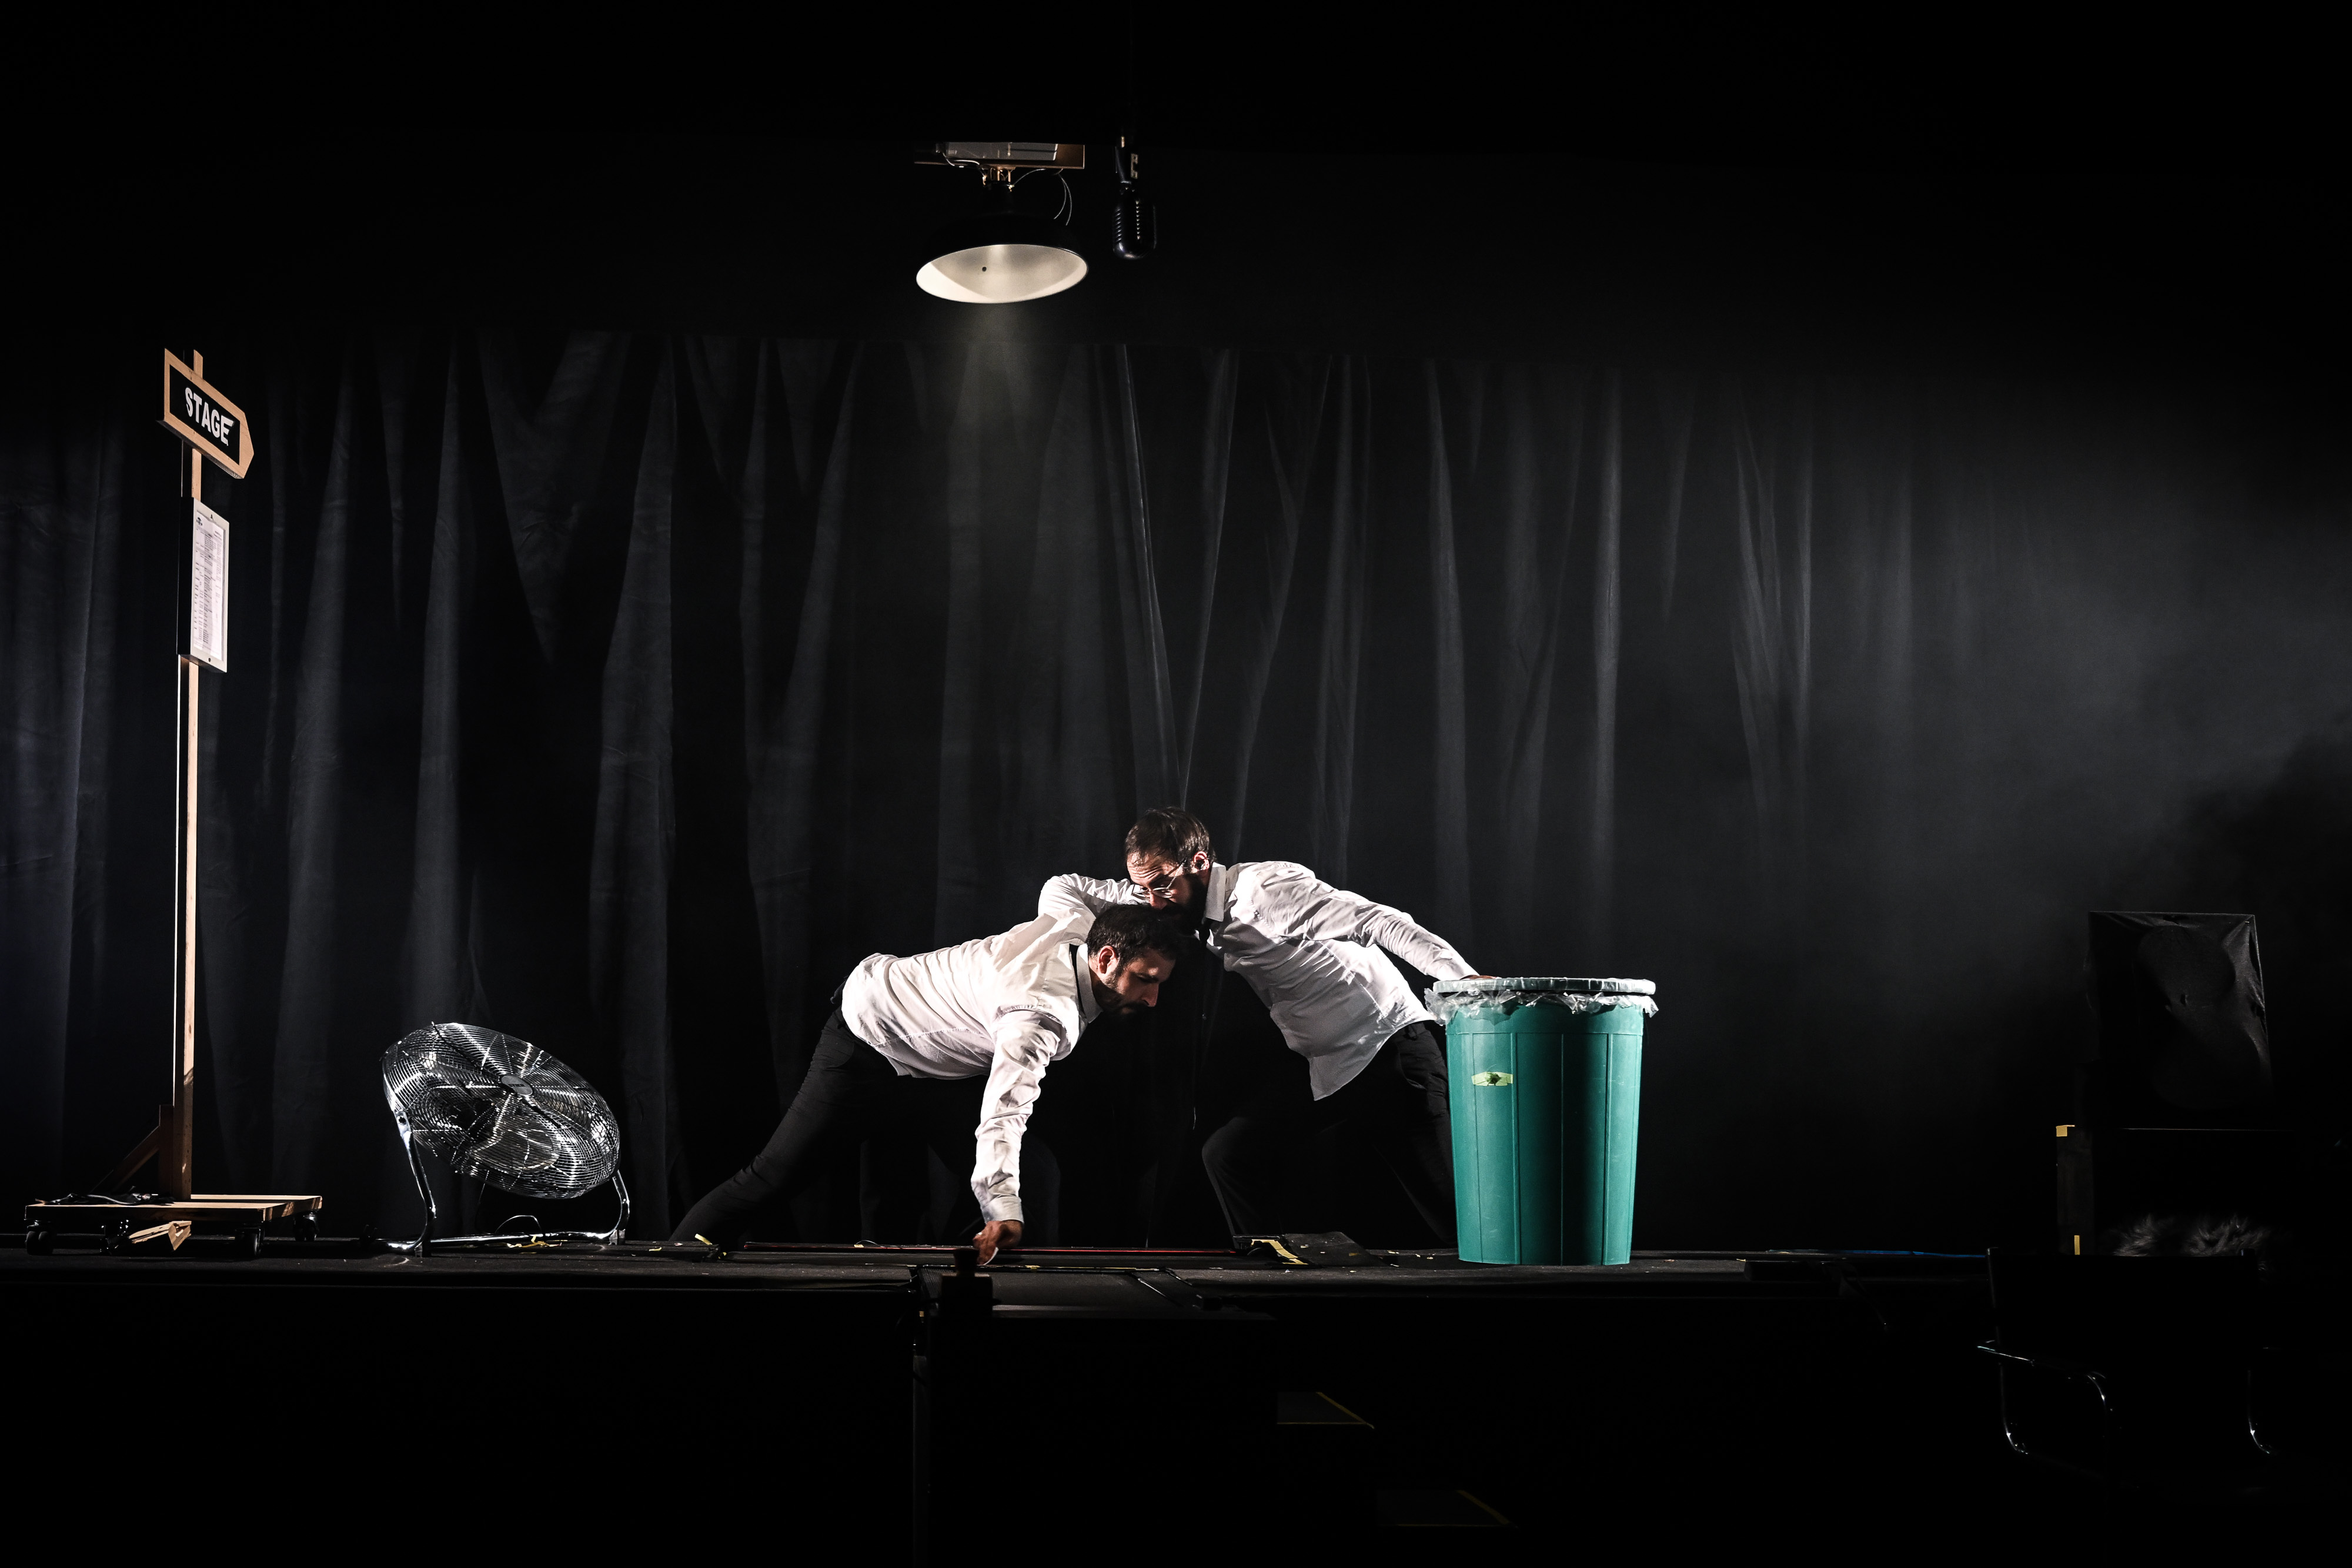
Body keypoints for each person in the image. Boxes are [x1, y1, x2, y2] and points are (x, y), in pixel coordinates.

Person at [1044, 807, 1481, 1242]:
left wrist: (1464, 981)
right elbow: (1063, 887)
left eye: (1161, 885)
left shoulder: (1264, 892)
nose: (1154, 903)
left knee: (1460, 1219)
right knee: (1229, 1156)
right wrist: (1077, 943)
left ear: (1199, 862)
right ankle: (1275, 1273)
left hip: (1387, 1055)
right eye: (1143, 888)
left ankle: (1513, 1277)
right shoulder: (1164, 895)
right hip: (1325, 1069)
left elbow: (1377, 920)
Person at [669, 899, 1184, 1262]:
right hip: (868, 1044)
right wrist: (1003, 1207)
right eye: (1146, 979)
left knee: (1034, 1176)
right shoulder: (1042, 1014)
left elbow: (1066, 883)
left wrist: (1160, 893)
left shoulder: (1073, 920)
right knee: (769, 1180)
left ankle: (980, 1305)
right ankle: (665, 1271)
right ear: (1105, 958)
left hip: (937, 1071)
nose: (1152, 998)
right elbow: (1004, 1113)